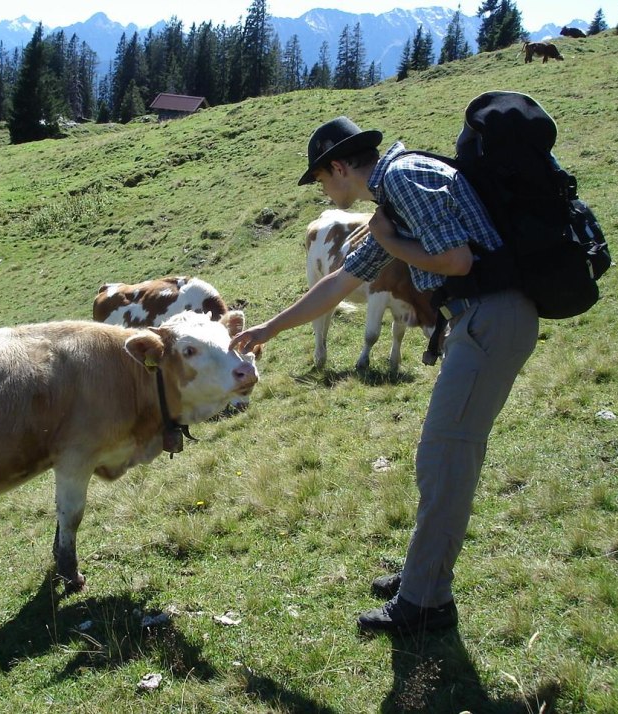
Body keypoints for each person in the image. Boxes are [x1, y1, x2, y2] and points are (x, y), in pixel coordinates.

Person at [230, 115, 539, 635]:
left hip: (491, 318)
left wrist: (389, 241)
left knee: (445, 459)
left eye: (321, 180)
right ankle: (423, 577)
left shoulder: (401, 179)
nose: (324, 191)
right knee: (441, 457)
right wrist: (271, 327)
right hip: (481, 320)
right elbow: (341, 282)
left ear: (339, 166)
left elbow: (458, 261)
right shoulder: (391, 202)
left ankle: (425, 603)